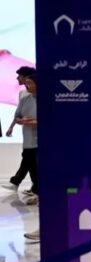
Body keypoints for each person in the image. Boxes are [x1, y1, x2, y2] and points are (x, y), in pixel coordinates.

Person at [3, 66, 35, 194]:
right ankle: (35, 187)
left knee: (29, 158)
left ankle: (16, 182)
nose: (17, 78)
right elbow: (19, 113)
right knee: (30, 160)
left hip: (37, 133)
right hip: (27, 132)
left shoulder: (40, 94)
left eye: (20, 76)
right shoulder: (23, 94)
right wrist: (12, 126)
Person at [10, 71, 37, 205]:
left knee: (33, 165)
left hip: (40, 140)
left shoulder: (46, 100)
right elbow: (17, 116)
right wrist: (21, 121)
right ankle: (35, 191)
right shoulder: (25, 98)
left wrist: (34, 122)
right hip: (28, 139)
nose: (27, 85)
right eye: (27, 83)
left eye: (30, 83)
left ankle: (17, 182)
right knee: (31, 165)